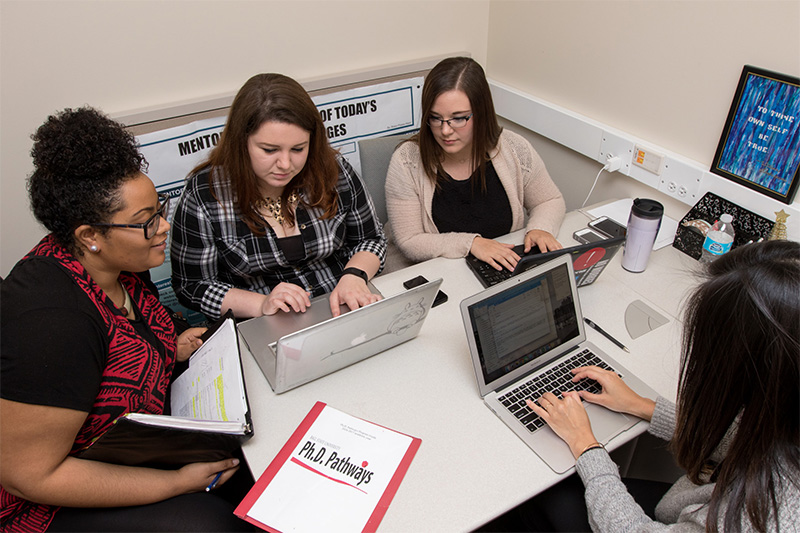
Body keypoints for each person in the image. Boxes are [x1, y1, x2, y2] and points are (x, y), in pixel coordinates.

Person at [0, 107, 253, 532]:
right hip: (48, 503)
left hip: (130, 446)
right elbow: (29, 477)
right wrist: (174, 483)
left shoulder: (124, 267)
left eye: (159, 209)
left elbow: (121, 347)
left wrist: (169, 350)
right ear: (90, 237)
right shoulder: (51, 323)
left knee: (258, 468)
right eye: (145, 222)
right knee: (208, 521)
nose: (163, 227)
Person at [521, 240, 800, 531]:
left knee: (545, 497)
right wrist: (640, 405)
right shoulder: (786, 416)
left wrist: (585, 444)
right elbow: (751, 437)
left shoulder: (765, 516)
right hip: (687, 507)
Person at [170, 73, 386, 321]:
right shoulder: (205, 194)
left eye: (298, 149)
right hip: (262, 322)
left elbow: (371, 238)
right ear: (241, 143)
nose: (285, 164)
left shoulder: (333, 170)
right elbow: (193, 286)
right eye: (269, 150)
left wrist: (354, 277)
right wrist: (262, 304)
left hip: (340, 303)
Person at [385, 56, 566, 272]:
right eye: (435, 117)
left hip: (496, 269)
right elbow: (410, 241)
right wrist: (472, 244)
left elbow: (549, 199)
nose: (445, 130)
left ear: (481, 114)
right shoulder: (407, 161)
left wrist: (540, 229)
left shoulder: (513, 148)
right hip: (433, 272)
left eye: (458, 118)